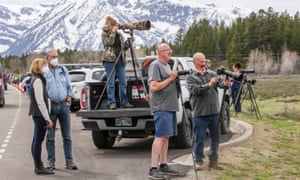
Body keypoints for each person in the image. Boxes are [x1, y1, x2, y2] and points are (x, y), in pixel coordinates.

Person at [186, 52, 230, 171]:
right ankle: (199, 161)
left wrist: (225, 84)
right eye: (200, 61)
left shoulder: (212, 74)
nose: (203, 63)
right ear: (195, 62)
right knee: (199, 138)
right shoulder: (191, 77)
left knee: (215, 138)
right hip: (200, 113)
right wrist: (209, 84)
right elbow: (195, 90)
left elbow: (221, 84)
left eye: (204, 61)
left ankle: (213, 161)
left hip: (214, 112)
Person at [147, 43, 181, 179]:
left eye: (170, 50)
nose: (170, 52)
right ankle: (153, 168)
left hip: (170, 106)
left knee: (166, 136)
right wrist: (171, 79)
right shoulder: (155, 65)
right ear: (160, 52)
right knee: (160, 136)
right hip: (161, 107)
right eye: (168, 50)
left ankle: (163, 164)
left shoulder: (167, 66)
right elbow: (154, 86)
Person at [44, 49, 78, 170]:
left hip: (64, 105)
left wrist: (69, 97)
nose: (55, 59)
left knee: (67, 136)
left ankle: (69, 161)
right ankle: (51, 161)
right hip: (51, 106)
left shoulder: (63, 70)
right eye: (53, 56)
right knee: (50, 136)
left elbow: (69, 85)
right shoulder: (44, 72)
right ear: (47, 58)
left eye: (56, 56)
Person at [101, 16, 134, 109]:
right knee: (110, 82)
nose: (116, 26)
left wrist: (130, 41)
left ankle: (124, 102)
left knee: (123, 82)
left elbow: (124, 47)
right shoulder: (104, 33)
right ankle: (112, 102)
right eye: (114, 25)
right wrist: (113, 32)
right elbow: (109, 43)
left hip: (120, 59)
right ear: (109, 25)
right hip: (109, 60)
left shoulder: (119, 34)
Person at [28, 58, 54, 175]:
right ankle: (38, 166)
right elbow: (40, 101)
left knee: (36, 140)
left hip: (38, 114)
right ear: (38, 67)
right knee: (38, 140)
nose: (46, 68)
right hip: (39, 115)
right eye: (43, 65)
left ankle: (39, 164)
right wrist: (47, 118)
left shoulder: (37, 79)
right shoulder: (38, 81)